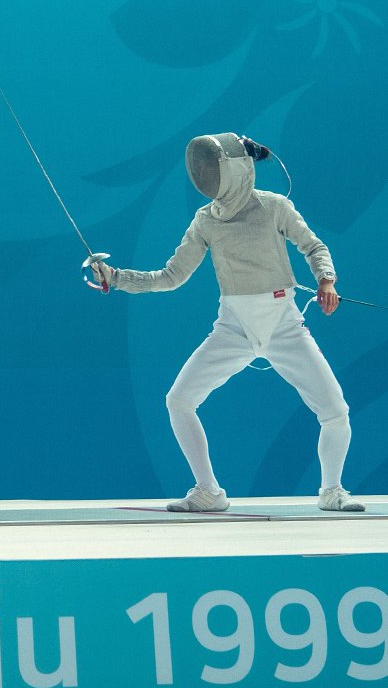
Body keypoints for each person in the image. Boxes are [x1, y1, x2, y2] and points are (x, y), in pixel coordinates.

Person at [89, 133, 362, 513]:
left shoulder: (273, 206)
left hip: (283, 324)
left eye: (211, 166)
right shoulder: (206, 220)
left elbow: (314, 246)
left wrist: (326, 280)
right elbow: (171, 276)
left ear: (235, 169)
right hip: (233, 327)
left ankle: (332, 491)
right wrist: (117, 277)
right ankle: (208, 491)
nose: (203, 174)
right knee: (179, 401)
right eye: (200, 167)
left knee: (335, 411)